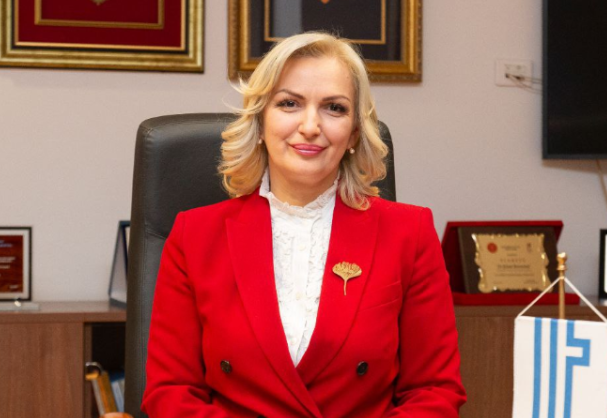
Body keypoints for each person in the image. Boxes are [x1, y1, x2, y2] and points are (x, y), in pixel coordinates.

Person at [142, 32, 466, 417]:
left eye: (334, 108)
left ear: (354, 132)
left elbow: (433, 391)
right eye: (289, 103)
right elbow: (171, 392)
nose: (310, 126)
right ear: (260, 121)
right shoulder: (194, 236)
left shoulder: (409, 233)